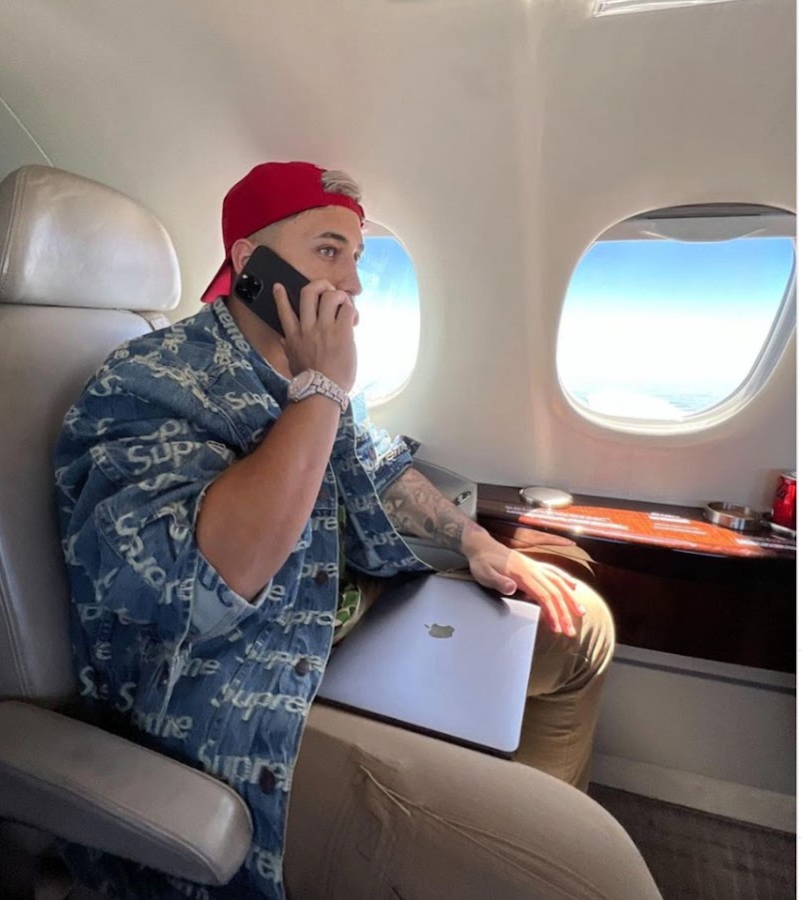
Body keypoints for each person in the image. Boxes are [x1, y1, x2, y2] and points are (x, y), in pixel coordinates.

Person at [54, 161, 662, 899]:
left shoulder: (299, 365)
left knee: (579, 628)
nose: (353, 283)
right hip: (241, 697)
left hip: (345, 618)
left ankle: (512, 820)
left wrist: (475, 542)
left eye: (357, 257)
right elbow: (206, 584)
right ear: (250, 261)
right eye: (328, 251)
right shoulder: (149, 380)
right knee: (597, 879)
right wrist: (321, 390)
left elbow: (373, 464)